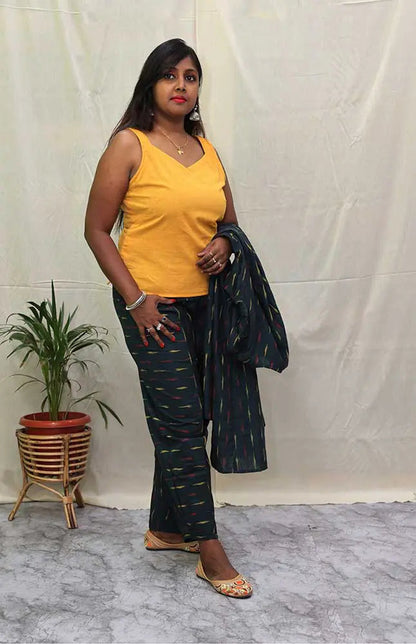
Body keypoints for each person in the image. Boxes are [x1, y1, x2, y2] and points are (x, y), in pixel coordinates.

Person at [84, 38, 253, 598]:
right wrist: (136, 301)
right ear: (150, 84)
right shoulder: (129, 145)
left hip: (207, 304)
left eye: (191, 76)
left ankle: (165, 528)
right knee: (180, 423)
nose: (181, 85)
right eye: (169, 75)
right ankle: (209, 550)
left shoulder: (207, 149)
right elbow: (96, 230)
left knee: (192, 416)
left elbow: (229, 223)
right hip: (152, 306)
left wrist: (224, 246)